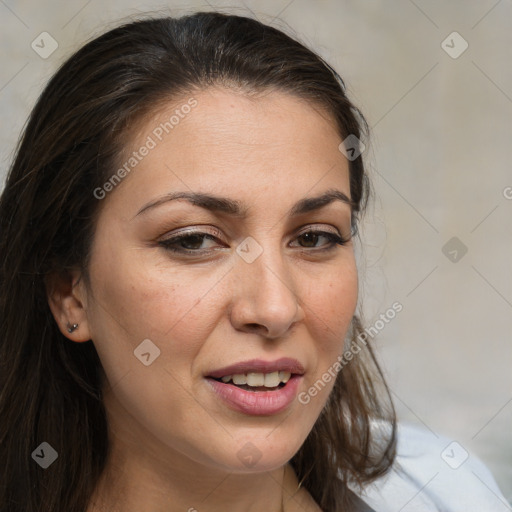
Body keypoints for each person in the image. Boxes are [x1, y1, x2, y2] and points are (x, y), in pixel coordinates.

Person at [0, 11, 507, 512]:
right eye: (195, 241)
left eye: (314, 237)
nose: (276, 307)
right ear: (70, 292)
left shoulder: (448, 493)